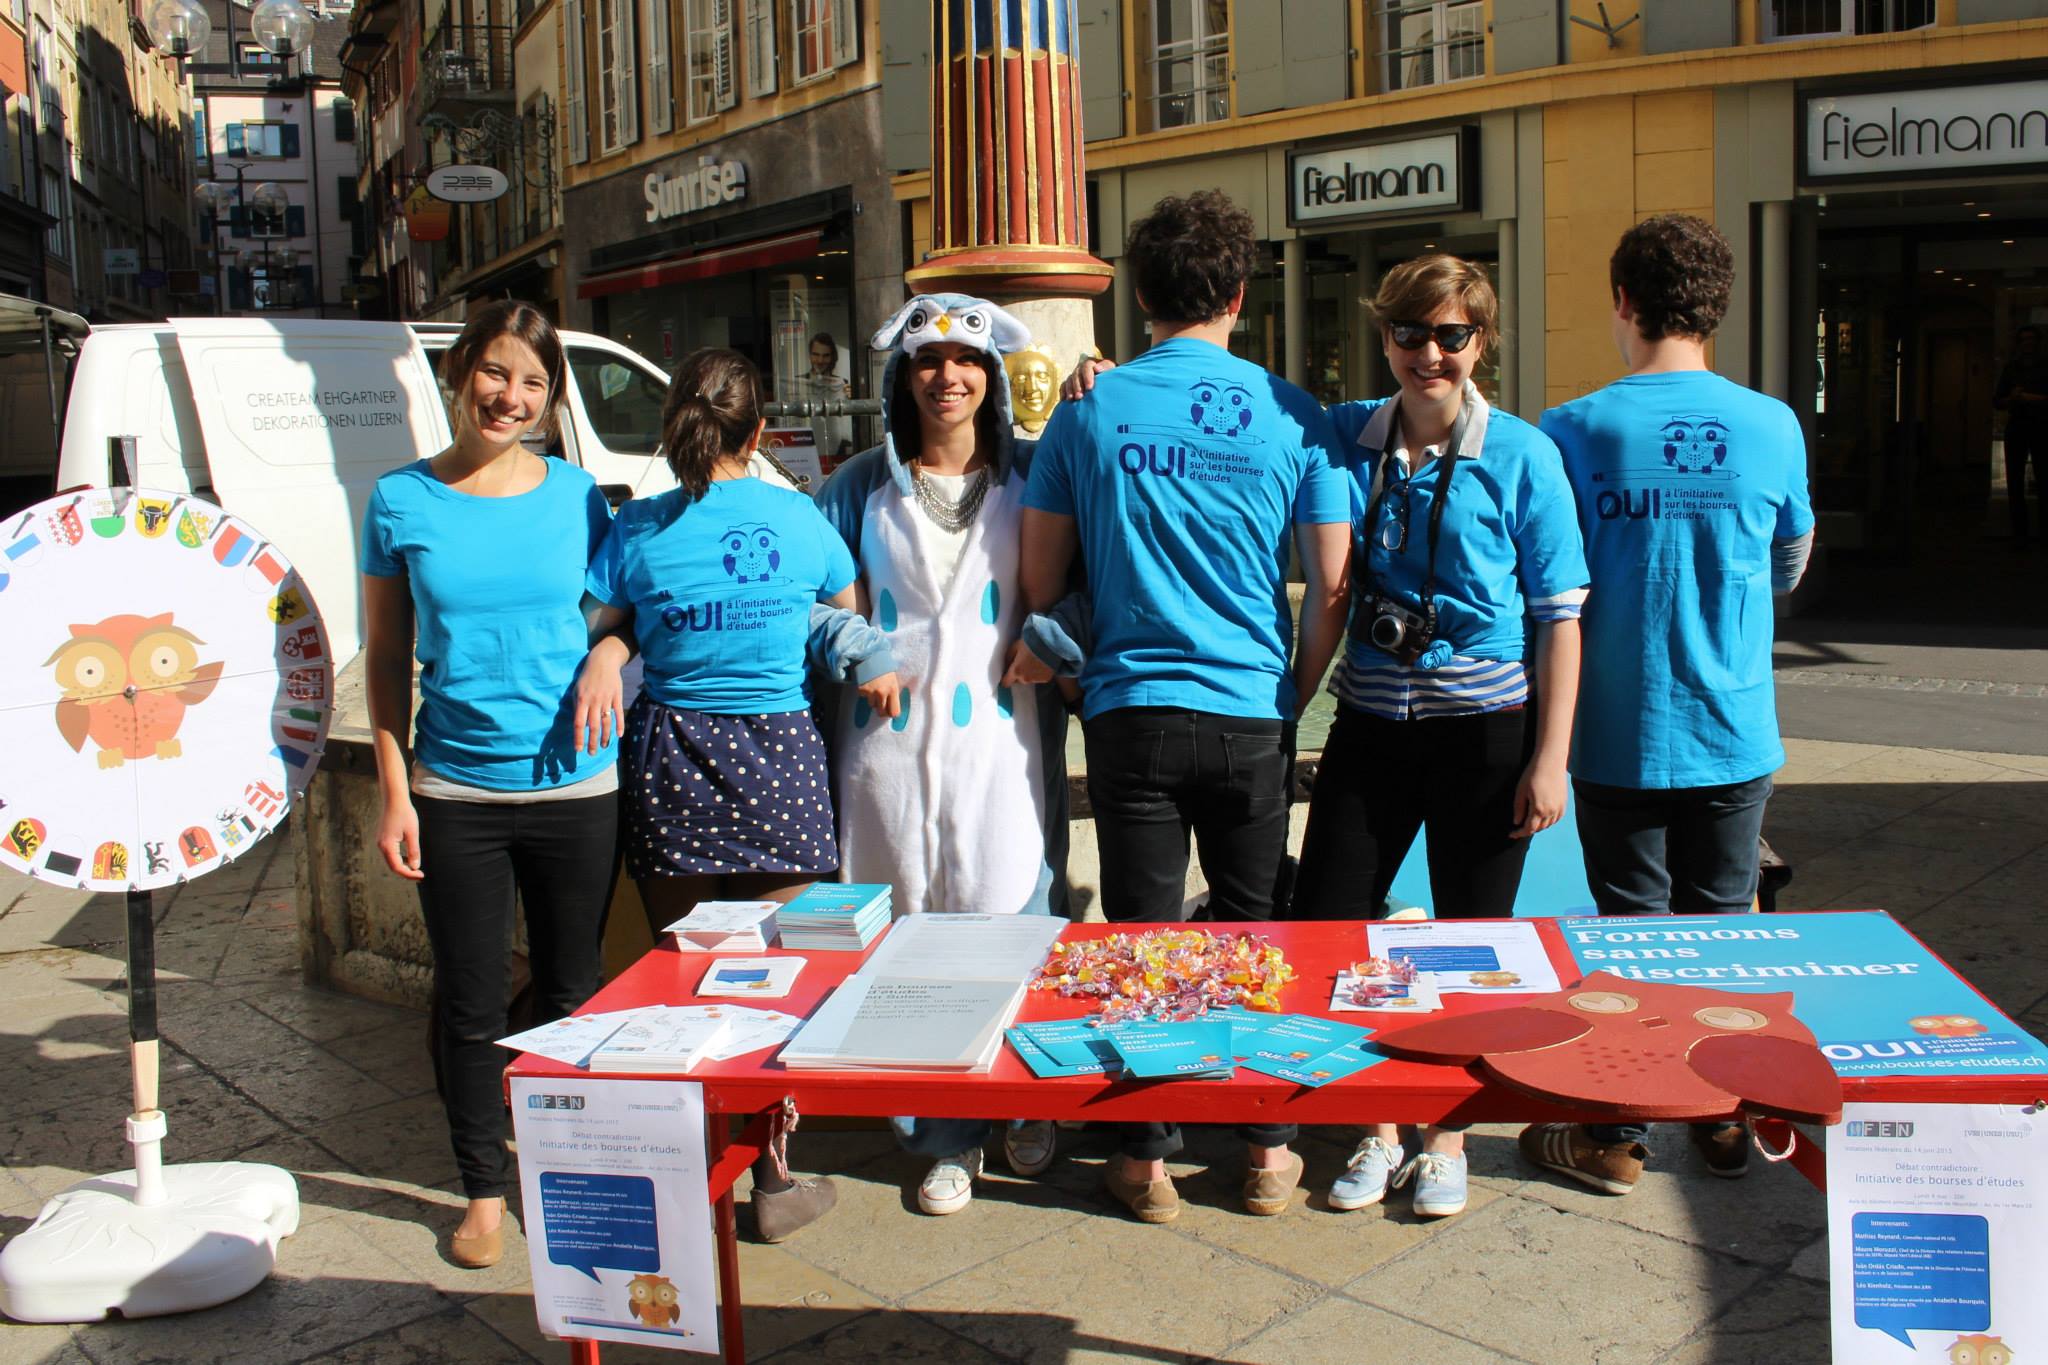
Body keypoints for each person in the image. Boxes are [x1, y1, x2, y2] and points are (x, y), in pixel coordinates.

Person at [1014, 190, 1352, 1225]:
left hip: (1129, 712)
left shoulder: (1088, 410)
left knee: (1142, 930)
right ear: (1239, 295)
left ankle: (1145, 1155)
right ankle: (1263, 1144)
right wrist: (1289, 694)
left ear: (1139, 293)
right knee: (1251, 933)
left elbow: (1038, 578)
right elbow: (1330, 587)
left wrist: (1085, 680)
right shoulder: (1296, 413)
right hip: (1251, 709)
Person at [578, 346, 901, 1241]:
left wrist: (617, 644)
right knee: (776, 978)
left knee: (680, 978)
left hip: (671, 758)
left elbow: (601, 628)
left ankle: (689, 1167)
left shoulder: (637, 527)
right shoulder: (797, 519)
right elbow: (846, 608)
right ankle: (774, 1170)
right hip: (779, 762)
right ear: (759, 431)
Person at [1521, 213, 1815, 1195]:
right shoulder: (1771, 426)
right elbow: (1785, 564)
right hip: (1732, 726)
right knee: (1723, 926)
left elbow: (1547, 582)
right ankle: (1724, 1116)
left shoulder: (1569, 429)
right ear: (1715, 307)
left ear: (1622, 303)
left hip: (1616, 728)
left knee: (1623, 933)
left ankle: (1620, 1130)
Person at [1290, 255, 1588, 1219]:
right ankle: (1379, 1125)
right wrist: (1106, 376)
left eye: (1451, 335)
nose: (1430, 354)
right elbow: (1255, 398)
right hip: (1371, 724)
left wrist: (1551, 757)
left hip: (1485, 730)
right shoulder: (1349, 436)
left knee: (1470, 942)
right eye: (1411, 334)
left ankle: (1447, 1133)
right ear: (1384, 339)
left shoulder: (1523, 455)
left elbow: (1560, 615)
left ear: (1480, 342)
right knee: (1337, 924)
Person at [360, 301, 621, 1270]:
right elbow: (386, 656)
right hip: (455, 791)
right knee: (468, 1000)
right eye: (496, 373)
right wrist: (395, 792)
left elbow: (620, 606)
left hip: (577, 788)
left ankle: (567, 1168)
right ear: (460, 370)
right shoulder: (398, 500)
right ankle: (479, 1186)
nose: (510, 396)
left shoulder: (578, 493)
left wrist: (611, 655)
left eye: (532, 382)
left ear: (550, 398)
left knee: (571, 990)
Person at [815, 292, 1073, 1216]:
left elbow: (1091, 584)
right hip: (887, 752)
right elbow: (809, 596)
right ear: (901, 377)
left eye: (966, 362)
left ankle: (1021, 1102)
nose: (947, 378)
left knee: (1011, 924)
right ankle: (940, 1132)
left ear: (993, 376)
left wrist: (1056, 636)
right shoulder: (854, 488)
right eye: (928, 362)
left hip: (1001, 748)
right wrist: (852, 644)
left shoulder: (1037, 477)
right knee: (907, 941)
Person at [1995, 324, 2048, 545]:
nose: (2027, 343)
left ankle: (2040, 534)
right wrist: (2012, 399)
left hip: (2041, 427)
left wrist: (2023, 397)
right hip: (2017, 427)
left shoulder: (2045, 367)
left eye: (2030, 339)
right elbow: (1997, 400)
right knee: (2014, 482)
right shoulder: (2011, 368)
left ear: (2037, 342)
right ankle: (2021, 534)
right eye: (2024, 339)